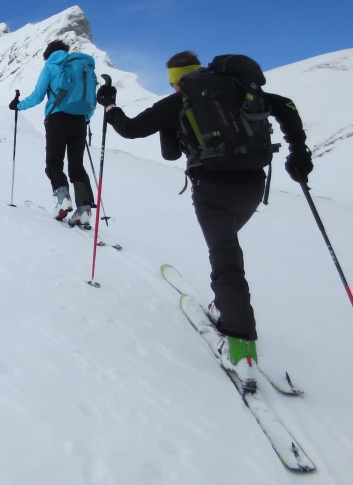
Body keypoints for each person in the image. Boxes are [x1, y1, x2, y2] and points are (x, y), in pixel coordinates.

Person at [96, 50, 313, 392]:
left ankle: (241, 348)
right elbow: (285, 105)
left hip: (212, 188)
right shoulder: (240, 89)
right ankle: (224, 303)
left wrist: (109, 106)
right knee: (226, 248)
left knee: (225, 258)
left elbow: (132, 130)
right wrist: (299, 153)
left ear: (177, 79)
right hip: (253, 185)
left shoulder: (178, 101)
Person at [9, 39, 96, 228]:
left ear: (48, 54)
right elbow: (91, 99)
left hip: (57, 119)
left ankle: (63, 199)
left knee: (53, 164)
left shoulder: (51, 66)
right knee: (77, 167)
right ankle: (84, 210)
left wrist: (18, 105)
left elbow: (38, 95)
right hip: (80, 120)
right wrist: (86, 117)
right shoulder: (83, 67)